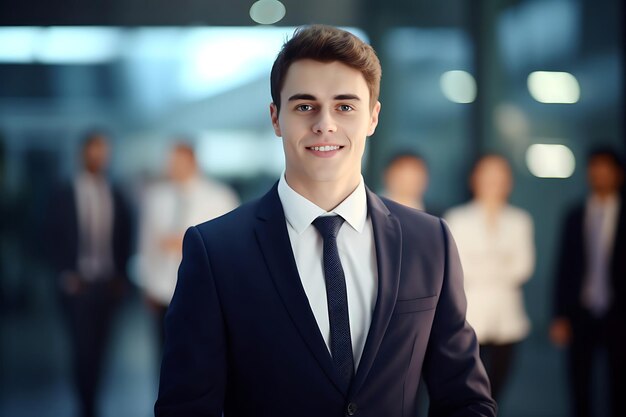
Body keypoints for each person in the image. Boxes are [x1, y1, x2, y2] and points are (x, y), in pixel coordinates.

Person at [155, 25, 495, 417]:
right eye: (304, 106)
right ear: (275, 117)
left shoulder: (428, 240)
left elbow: (466, 399)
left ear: (372, 117)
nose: (325, 124)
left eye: (345, 106)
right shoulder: (215, 252)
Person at [46, 131, 132, 417]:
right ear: (82, 153)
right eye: (94, 150)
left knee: (102, 350)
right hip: (77, 284)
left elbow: (124, 236)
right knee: (83, 350)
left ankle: (93, 402)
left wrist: (121, 276)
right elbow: (49, 236)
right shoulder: (64, 192)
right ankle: (86, 406)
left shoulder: (115, 193)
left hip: (107, 285)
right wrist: (64, 273)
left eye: (103, 151)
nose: (99, 156)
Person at [444, 155, 535, 402]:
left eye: (500, 175)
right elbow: (460, 269)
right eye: (487, 174)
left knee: (497, 389)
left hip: (508, 318)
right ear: (474, 179)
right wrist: (499, 262)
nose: (493, 181)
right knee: (466, 389)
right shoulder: (457, 218)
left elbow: (523, 268)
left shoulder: (520, 220)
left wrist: (483, 262)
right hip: (469, 317)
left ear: (509, 181)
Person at [138, 142, 239, 348]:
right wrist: (147, 283)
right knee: (164, 351)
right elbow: (146, 242)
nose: (172, 167)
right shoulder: (156, 197)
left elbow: (231, 246)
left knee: (199, 353)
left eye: (178, 162)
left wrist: (186, 244)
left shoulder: (220, 197)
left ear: (193, 162)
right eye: (170, 162)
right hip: (163, 289)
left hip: (204, 291)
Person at [550, 148, 625, 417]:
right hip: (580, 311)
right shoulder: (575, 214)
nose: (599, 176)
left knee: (619, 384)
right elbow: (563, 267)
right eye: (594, 170)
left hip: (619, 313)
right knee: (579, 384)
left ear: (618, 174)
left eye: (605, 170)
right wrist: (559, 315)